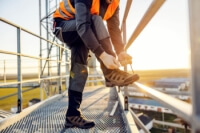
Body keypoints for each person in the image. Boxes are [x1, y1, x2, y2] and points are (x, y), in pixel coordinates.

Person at [52, 0, 139, 129]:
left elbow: (114, 28)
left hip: (80, 26)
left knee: (79, 68)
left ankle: (72, 115)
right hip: (63, 26)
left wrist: (120, 51)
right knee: (95, 20)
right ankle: (110, 73)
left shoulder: (114, 3)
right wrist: (103, 56)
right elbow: (84, 26)